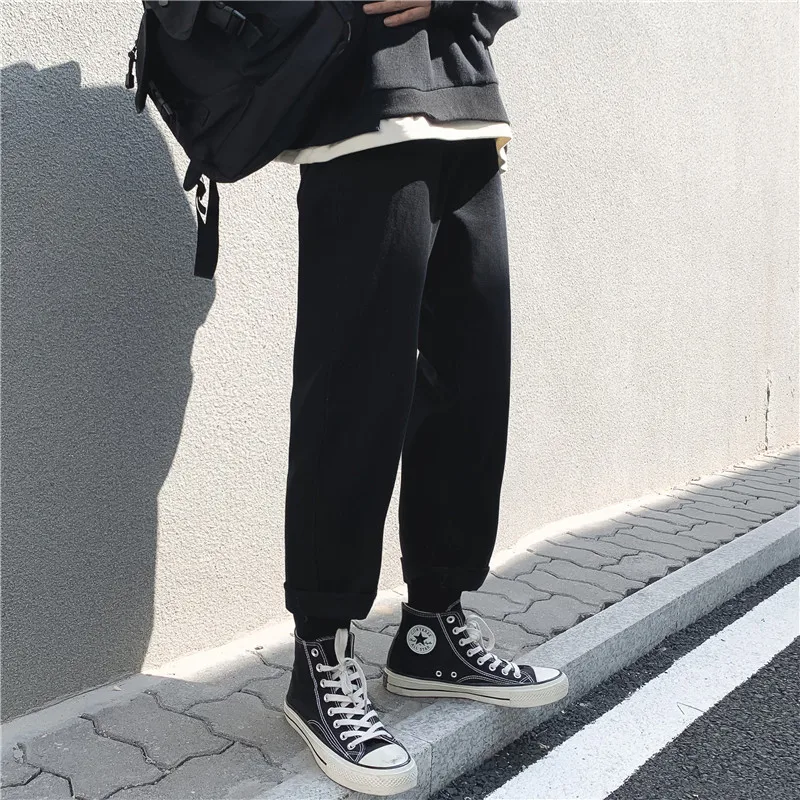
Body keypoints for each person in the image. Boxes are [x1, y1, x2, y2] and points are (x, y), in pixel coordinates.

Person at [275, 1, 568, 794]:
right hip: (363, 111)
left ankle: (432, 630)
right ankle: (320, 654)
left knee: (470, 383)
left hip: (469, 113)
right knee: (354, 394)